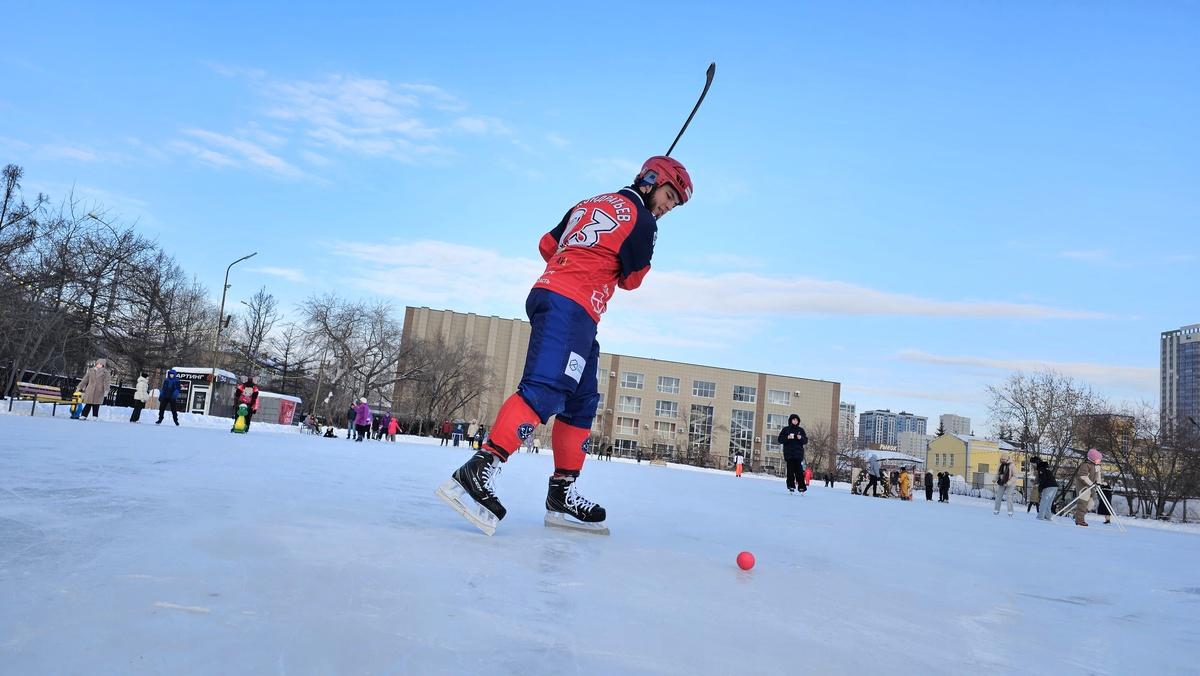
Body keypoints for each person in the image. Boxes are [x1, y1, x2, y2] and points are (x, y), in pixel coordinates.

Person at [439, 155, 693, 535]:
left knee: (581, 401)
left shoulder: (590, 202)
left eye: (674, 204)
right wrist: (626, 242)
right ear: (651, 181)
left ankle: (562, 493)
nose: (669, 208)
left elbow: (546, 245)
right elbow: (632, 280)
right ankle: (479, 469)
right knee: (546, 388)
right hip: (570, 305)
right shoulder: (643, 222)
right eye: (669, 197)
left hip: (562, 301)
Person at [1072, 449, 1103, 527]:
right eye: (1098, 459)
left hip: (1091, 488)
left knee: (1090, 504)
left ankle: (1078, 515)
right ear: (1092, 459)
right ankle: (1079, 520)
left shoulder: (1097, 466)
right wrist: (1091, 483)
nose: (1099, 461)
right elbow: (1082, 476)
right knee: (1082, 503)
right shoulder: (1086, 465)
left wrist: (1098, 483)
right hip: (1084, 487)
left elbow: (1098, 475)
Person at [779, 414, 808, 493]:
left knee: (799, 471)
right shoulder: (786, 429)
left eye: (796, 420)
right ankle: (790, 485)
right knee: (790, 471)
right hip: (789, 454)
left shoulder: (801, 430)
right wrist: (787, 437)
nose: (795, 421)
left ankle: (802, 487)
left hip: (798, 454)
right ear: (790, 420)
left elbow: (805, 440)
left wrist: (800, 438)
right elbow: (780, 439)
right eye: (794, 420)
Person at [1034, 457, 1058, 521]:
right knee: (1048, 503)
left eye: (1033, 464)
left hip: (1048, 487)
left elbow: (1043, 479)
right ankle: (1048, 517)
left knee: (1043, 502)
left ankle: (1040, 516)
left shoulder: (1041, 469)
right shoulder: (1046, 468)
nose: (1033, 465)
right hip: (1054, 486)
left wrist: (1040, 488)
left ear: (1037, 463)